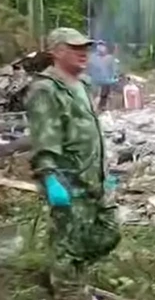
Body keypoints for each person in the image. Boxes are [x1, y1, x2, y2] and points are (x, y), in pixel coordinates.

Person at [25, 27, 121, 274]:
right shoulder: (46, 90)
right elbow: (44, 140)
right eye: (75, 48)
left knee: (109, 232)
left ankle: (69, 271)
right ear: (57, 52)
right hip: (69, 182)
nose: (83, 53)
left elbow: (92, 133)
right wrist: (50, 180)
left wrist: (105, 173)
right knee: (68, 245)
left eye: (85, 47)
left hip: (93, 179)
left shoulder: (82, 85)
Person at [87, 41, 120, 110]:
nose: (100, 47)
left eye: (102, 45)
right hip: (95, 81)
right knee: (94, 96)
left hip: (106, 81)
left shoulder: (110, 58)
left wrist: (114, 77)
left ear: (106, 48)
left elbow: (114, 69)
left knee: (104, 96)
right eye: (99, 45)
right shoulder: (92, 57)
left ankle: (102, 108)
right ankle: (93, 108)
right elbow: (88, 68)